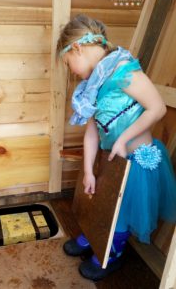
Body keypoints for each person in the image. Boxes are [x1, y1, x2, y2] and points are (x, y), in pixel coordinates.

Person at [56, 14, 176, 281]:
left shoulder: (126, 71)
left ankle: (111, 255)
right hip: (113, 159)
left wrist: (122, 140)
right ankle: (96, 236)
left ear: (78, 48)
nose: (71, 71)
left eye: (68, 64)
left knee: (120, 212)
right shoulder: (94, 84)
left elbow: (156, 107)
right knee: (103, 203)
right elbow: (91, 132)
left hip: (136, 161)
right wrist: (88, 170)